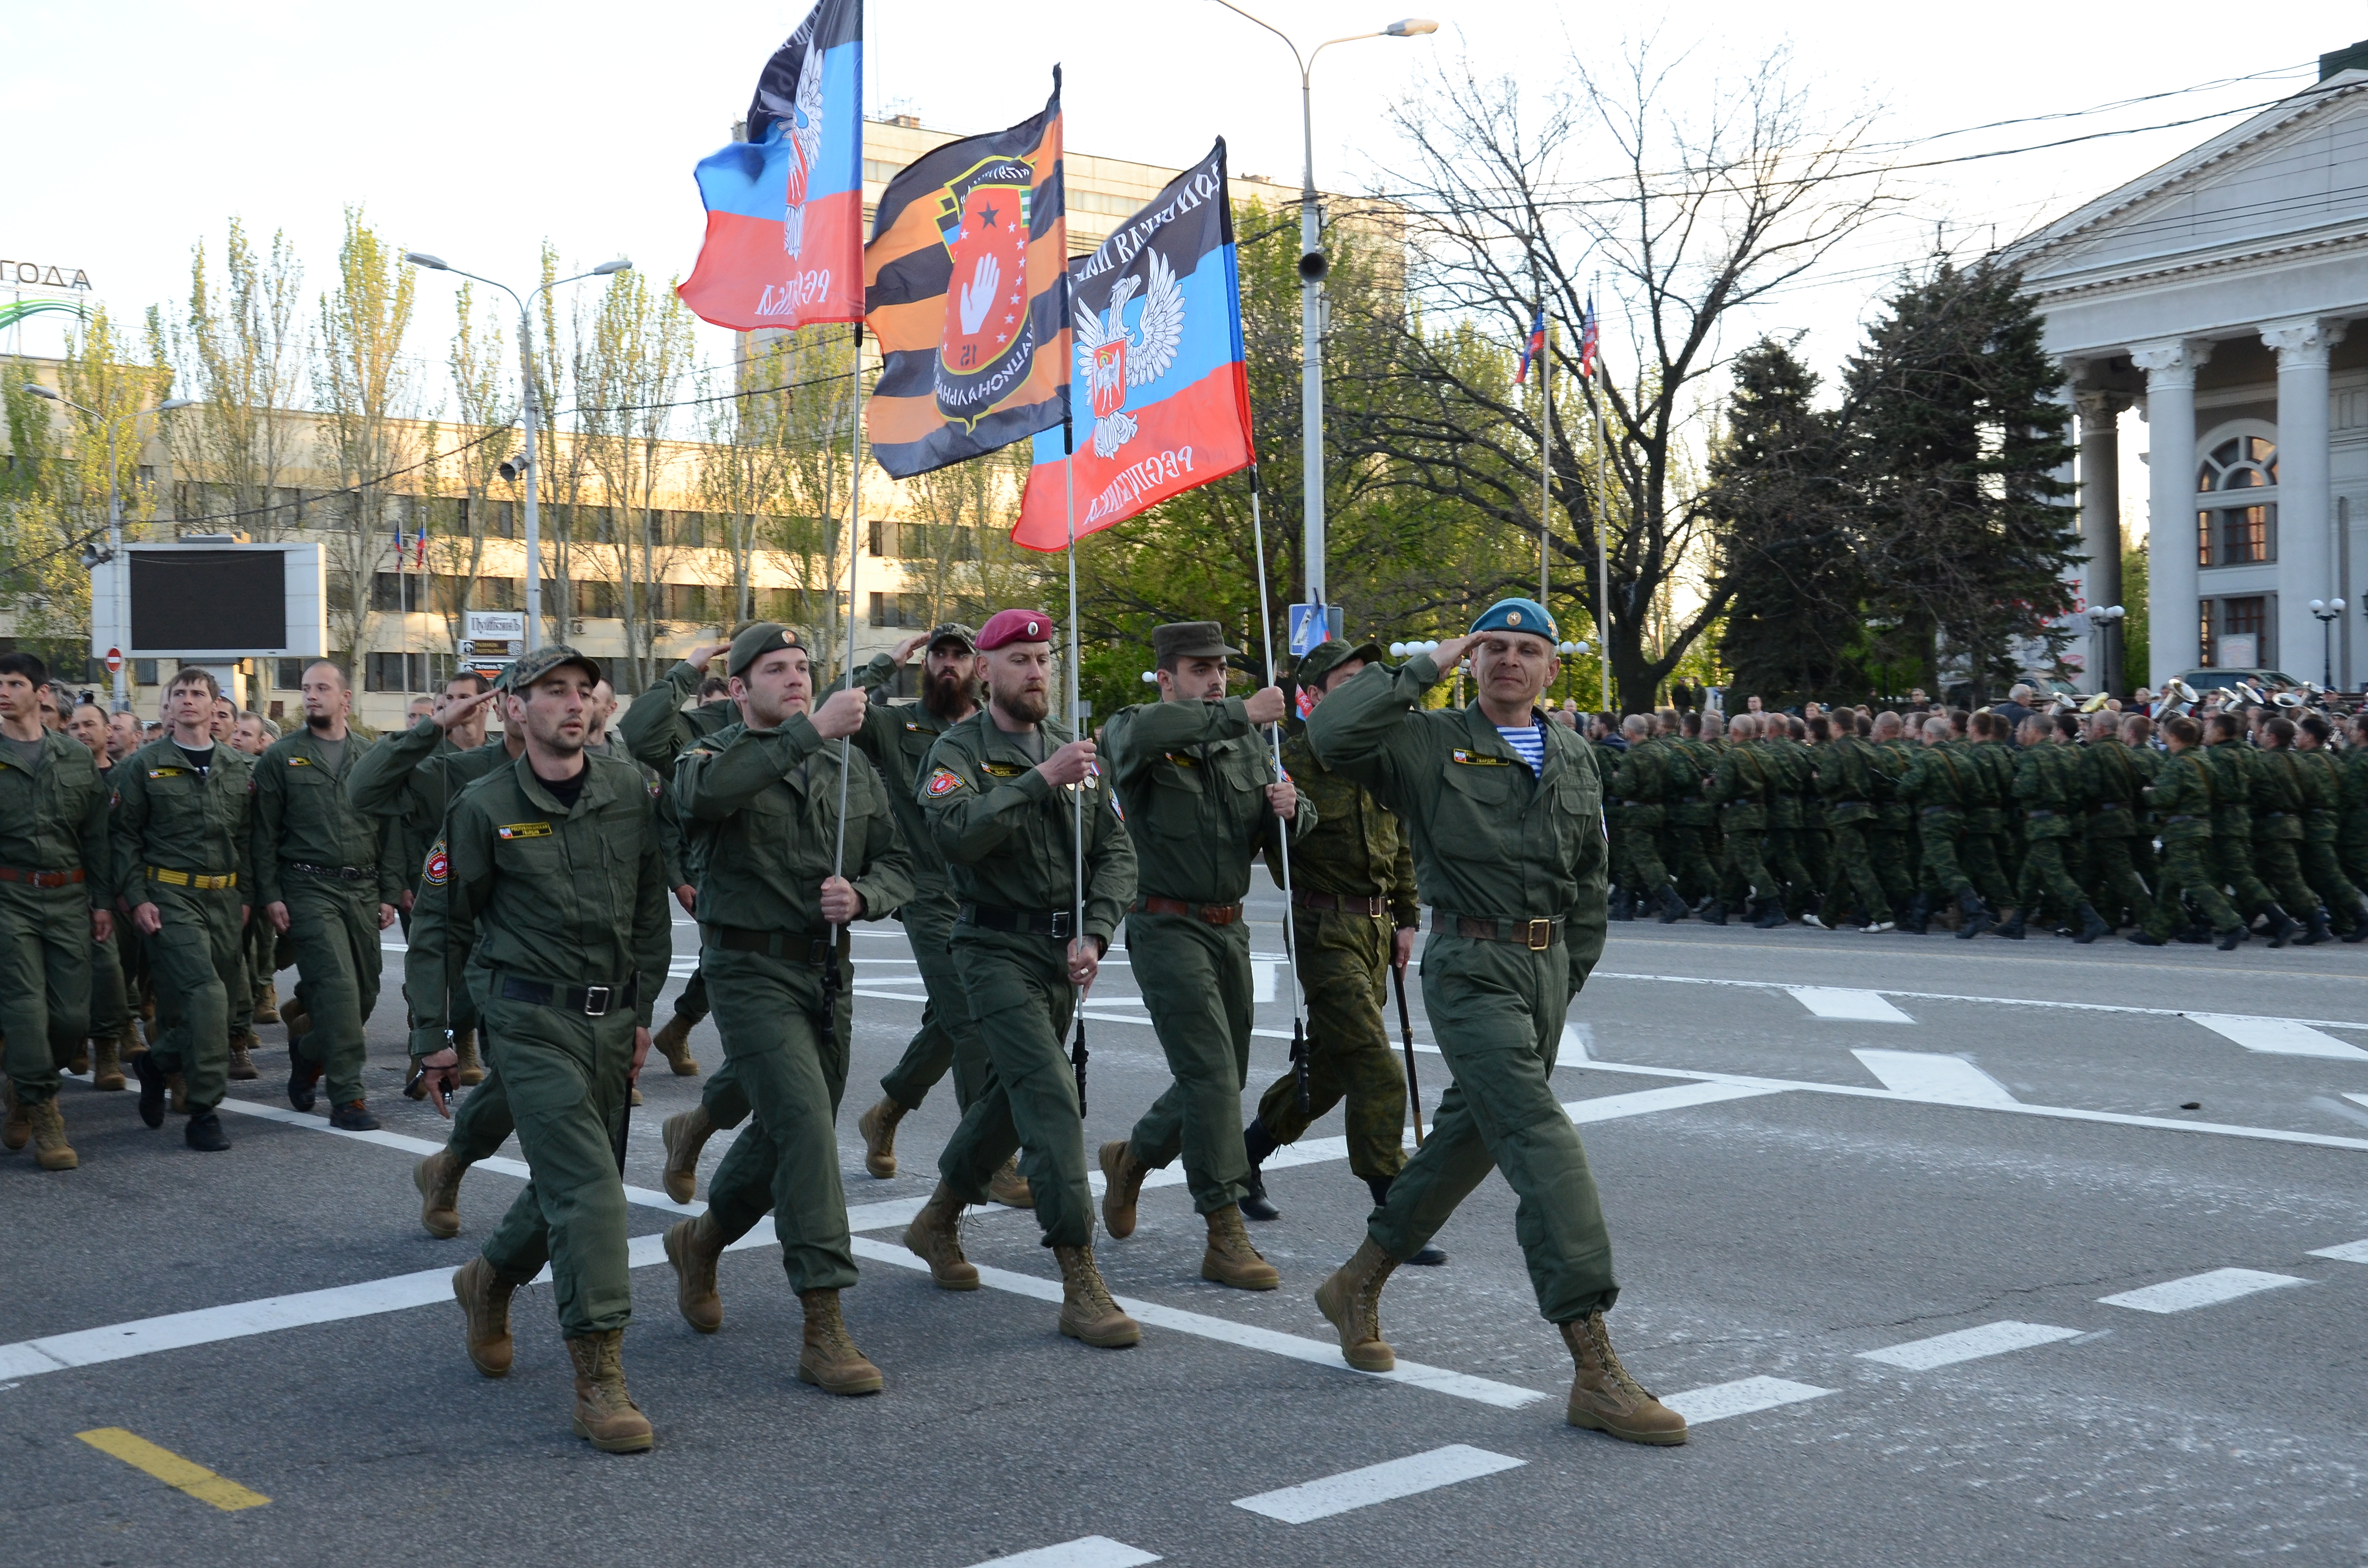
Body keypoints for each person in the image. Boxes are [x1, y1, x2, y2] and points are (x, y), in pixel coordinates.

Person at [1304, 597, 1685, 1446]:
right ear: (1472, 663)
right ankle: (1593, 1362)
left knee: (1468, 1138)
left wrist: (1567, 970)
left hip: (1544, 969)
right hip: (1471, 966)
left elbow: (1589, 875)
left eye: (1526, 649)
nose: (1508, 659)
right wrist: (1419, 667)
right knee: (1540, 1141)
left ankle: (1357, 1279)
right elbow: (1330, 734)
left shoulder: (1575, 754)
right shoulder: (1425, 741)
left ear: (1553, 668)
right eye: (1492, 647)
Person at [408, 645, 672, 1454]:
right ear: (514, 708)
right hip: (526, 1021)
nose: (570, 701)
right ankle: (600, 1376)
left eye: (581, 689)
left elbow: (646, 908)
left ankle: (487, 1279)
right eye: (550, 689)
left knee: (571, 1180)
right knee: (594, 1193)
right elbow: (443, 926)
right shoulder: (482, 805)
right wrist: (437, 1038)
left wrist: (639, 1009)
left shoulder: (628, 790)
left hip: (606, 1017)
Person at [661, 622, 913, 1394]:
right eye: (776, 669)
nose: (796, 678)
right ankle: (824, 1323)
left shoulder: (850, 767)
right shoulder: (709, 758)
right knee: (806, 1129)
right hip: (747, 970)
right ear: (738, 690)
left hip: (825, 972)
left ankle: (704, 1240)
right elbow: (708, 796)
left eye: (804, 667)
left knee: (786, 1130)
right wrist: (808, 732)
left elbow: (905, 861)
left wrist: (866, 895)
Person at [899, 609, 1141, 1349]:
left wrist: (1095, 930)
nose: (1037, 672)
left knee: (1009, 1101)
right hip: (991, 947)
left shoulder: (1077, 750)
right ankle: (1079, 1272)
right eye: (1020, 660)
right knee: (1048, 1093)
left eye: (1044, 659)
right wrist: (1038, 780)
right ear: (985, 669)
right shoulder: (958, 749)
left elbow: (1116, 854)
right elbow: (957, 835)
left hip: (1059, 954)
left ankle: (938, 1219)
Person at [1097, 621, 1306, 1293]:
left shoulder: (1248, 743)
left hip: (1229, 928)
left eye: (1220, 668)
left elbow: (1285, 838)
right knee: (1213, 1078)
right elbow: (1127, 740)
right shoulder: (1140, 728)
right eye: (1197, 668)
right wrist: (1238, 712)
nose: (1215, 678)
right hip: (1166, 925)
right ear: (1166, 678)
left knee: (1222, 1073)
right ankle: (1223, 1229)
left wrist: (1292, 810)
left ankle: (1133, 1157)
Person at [1233, 637, 1437, 1265]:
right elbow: (1273, 857)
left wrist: (1406, 916)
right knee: (1376, 1066)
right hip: (1324, 930)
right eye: (1351, 681)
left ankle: (1246, 1154)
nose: (1366, 689)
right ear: (1314, 696)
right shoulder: (1291, 759)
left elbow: (1398, 839)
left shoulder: (1380, 752)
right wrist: (1287, 817)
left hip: (1376, 932)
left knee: (1331, 1068)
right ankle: (1393, 1205)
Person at [840, 625, 1028, 1206]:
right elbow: (834, 711)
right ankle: (991, 1159)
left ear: (979, 667)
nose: (948, 664)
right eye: (937, 655)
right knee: (971, 1018)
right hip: (926, 892)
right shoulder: (898, 724)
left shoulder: (992, 728)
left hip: (990, 893)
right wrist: (882, 664)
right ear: (923, 664)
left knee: (949, 1022)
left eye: (960, 656)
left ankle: (886, 1113)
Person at [253, 660, 404, 1130]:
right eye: (306, 689)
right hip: (307, 887)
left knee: (364, 995)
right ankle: (348, 1099)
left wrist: (388, 891)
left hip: (361, 888)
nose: (312, 696)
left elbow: (391, 829)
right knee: (338, 991)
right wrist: (271, 894)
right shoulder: (281, 757)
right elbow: (264, 834)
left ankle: (309, 1050)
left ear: (345, 699)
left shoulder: (371, 757)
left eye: (322, 688)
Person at [111, 666, 255, 1152]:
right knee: (208, 996)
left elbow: (248, 839)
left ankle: (156, 1063)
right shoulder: (144, 765)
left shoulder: (238, 767)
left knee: (225, 1003)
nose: (189, 700)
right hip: (171, 896)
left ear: (216, 707)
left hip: (225, 896)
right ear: (168, 707)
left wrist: (247, 896)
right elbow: (125, 838)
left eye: (198, 693)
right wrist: (138, 897)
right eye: (180, 694)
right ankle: (205, 1110)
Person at [0, 654, 112, 1170]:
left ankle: (22, 1089)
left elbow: (96, 837)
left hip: (69, 897)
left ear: (41, 693)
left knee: (70, 1018)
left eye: (14, 683)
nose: (3, 691)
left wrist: (103, 903)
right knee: (25, 1008)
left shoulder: (73, 756)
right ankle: (46, 1114)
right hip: (9, 898)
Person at [67, 698, 136, 1091]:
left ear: (107, 731)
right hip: (74, 887)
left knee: (119, 971)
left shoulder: (125, 777)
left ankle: (110, 1038)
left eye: (90, 725)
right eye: (75, 726)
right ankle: (96, 1046)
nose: (82, 732)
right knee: (95, 968)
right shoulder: (63, 773)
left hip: (119, 889)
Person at [2135, 715, 2244, 949]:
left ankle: (2232, 924)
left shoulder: (2179, 763)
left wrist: (2147, 792)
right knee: (2169, 883)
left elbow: (2165, 798)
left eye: (2167, 736)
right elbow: (2219, 793)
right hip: (2200, 827)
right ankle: (2157, 931)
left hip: (2181, 830)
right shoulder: (2204, 761)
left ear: (2174, 738)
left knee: (2195, 881)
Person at [2005, 714, 2108, 942]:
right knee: (2029, 877)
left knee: (2057, 877)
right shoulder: (2065, 754)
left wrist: (2015, 785)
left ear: (2034, 731)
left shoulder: (2032, 757)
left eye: (2023, 729)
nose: (2020, 734)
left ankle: (2091, 918)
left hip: (2041, 825)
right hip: (2061, 822)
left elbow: (2027, 788)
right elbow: (2076, 794)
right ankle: (2017, 922)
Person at [2201, 712, 2296, 946]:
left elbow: (2213, 793)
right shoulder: (2250, 753)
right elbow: (2265, 789)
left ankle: (2280, 919)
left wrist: (2229, 804)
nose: (2206, 732)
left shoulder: (2217, 756)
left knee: (2240, 876)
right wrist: (2245, 807)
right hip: (2241, 822)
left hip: (2223, 824)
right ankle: (2204, 925)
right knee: (2213, 875)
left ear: (2220, 732)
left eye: (2210, 728)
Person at [2253, 716, 2334, 944]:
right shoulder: (2301, 762)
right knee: (2256, 876)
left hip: (2273, 828)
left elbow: (2259, 796)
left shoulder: (2265, 762)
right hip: (2294, 824)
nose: (2259, 735)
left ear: (2272, 738)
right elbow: (2315, 795)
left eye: (2264, 732)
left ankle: (2317, 924)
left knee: (2289, 880)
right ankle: (2270, 920)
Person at [2080, 711, 2158, 937]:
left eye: (2092, 726)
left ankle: (2153, 923)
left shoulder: (2094, 753)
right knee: (2089, 874)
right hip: (2122, 820)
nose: (2089, 730)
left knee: (2123, 877)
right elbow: (2141, 787)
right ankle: (2080, 920)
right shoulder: (2128, 752)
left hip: (2104, 823)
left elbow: (2090, 790)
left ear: (2102, 729)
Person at [2292, 714, 2368, 940]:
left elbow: (2349, 796)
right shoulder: (2338, 759)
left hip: (2346, 823)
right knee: (2336, 872)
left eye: (2354, 729)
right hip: (2340, 821)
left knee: (2343, 872)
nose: (2349, 733)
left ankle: (2359, 918)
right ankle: (2342, 920)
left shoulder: (2357, 760)